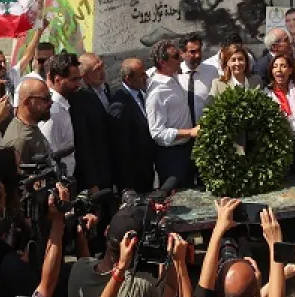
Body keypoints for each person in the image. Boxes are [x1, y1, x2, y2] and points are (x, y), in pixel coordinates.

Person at [146, 39, 199, 185]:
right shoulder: (157, 92)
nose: (180, 58)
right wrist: (190, 132)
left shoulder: (172, 78)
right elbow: (157, 133)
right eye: (175, 56)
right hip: (172, 156)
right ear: (163, 63)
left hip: (186, 149)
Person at [107, 58, 157, 193]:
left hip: (146, 169)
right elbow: (121, 146)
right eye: (141, 75)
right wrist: (127, 184)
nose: (146, 77)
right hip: (133, 176)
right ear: (128, 79)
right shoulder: (119, 103)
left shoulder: (142, 93)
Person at [68, 52, 114, 194]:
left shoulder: (105, 88)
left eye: (102, 67)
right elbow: (84, 144)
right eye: (96, 70)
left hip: (110, 165)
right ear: (85, 76)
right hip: (96, 170)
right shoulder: (79, 99)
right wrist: (92, 182)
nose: (102, 73)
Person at [40, 52, 83, 178]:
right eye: (73, 80)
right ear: (58, 80)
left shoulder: (63, 105)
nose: (78, 84)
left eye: (78, 79)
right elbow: (51, 155)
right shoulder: (52, 111)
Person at [0, 77, 54, 171]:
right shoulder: (19, 140)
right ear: (28, 102)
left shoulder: (31, 126)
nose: (51, 102)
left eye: (50, 96)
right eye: (46, 99)